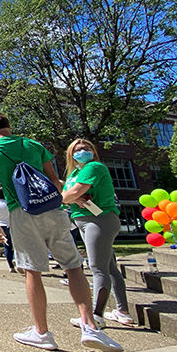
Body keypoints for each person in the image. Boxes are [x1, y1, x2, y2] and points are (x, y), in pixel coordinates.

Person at [0, 111, 123, 352]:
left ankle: (41, 332)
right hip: (52, 207)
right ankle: (89, 326)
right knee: (73, 266)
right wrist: (63, 205)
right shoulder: (33, 144)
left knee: (32, 271)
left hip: (22, 212)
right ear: (9, 126)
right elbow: (55, 179)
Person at [62, 139, 134, 327]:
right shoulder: (75, 172)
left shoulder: (94, 167)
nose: (82, 151)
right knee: (109, 267)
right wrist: (70, 197)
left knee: (97, 267)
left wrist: (67, 197)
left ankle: (95, 316)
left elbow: (74, 192)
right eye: (77, 149)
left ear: (93, 151)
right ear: (71, 155)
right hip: (84, 221)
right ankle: (123, 311)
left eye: (86, 148)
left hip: (98, 221)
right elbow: (69, 194)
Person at [0, 190, 15, 273]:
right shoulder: (7, 203)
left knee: (6, 245)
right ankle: (15, 259)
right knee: (13, 244)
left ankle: (11, 266)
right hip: (9, 224)